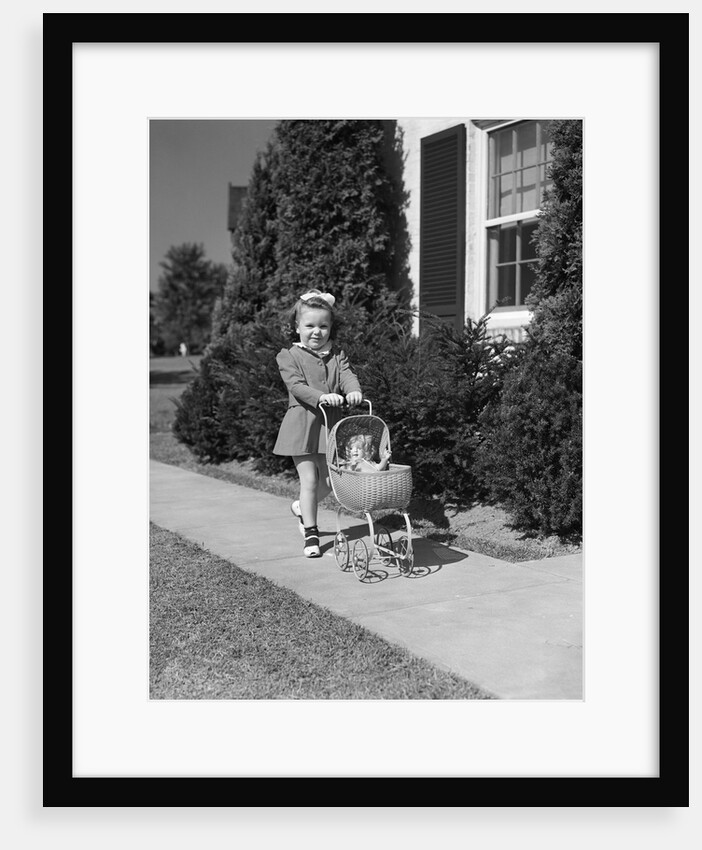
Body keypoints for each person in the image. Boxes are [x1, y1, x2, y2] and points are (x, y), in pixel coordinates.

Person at [273, 289, 363, 557]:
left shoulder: (337, 355)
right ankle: (311, 534)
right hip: (302, 425)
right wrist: (322, 396)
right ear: (297, 326)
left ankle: (302, 506)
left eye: (323, 326)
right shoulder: (288, 355)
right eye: (310, 325)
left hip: (330, 426)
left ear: (331, 327)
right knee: (309, 481)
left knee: (333, 482)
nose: (317, 331)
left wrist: (354, 390)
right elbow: (297, 386)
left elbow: (347, 376)